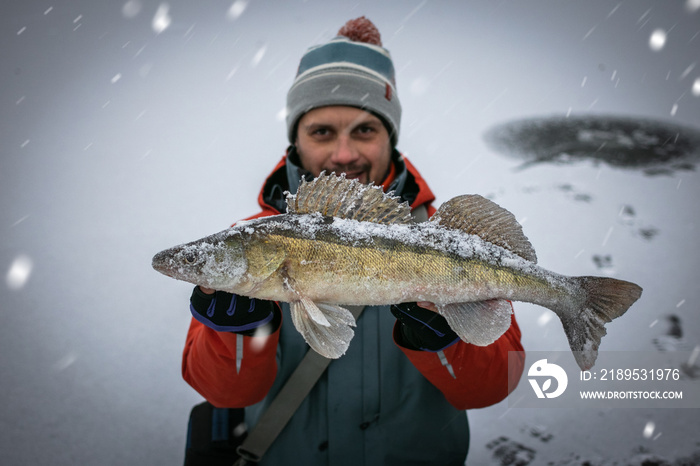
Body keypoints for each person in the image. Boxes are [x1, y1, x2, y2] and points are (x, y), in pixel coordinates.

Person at [181, 17, 525, 466]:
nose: (344, 154)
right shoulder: (247, 240)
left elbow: (495, 386)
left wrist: (447, 339)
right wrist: (239, 334)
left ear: (390, 137)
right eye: (322, 131)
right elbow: (224, 392)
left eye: (364, 130)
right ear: (296, 138)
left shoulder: (452, 241)